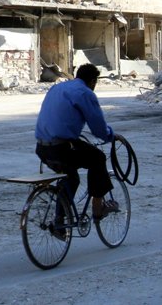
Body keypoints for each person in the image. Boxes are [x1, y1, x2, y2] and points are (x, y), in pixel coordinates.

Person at [34, 63, 119, 226]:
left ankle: (60, 219)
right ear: (93, 81)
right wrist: (110, 136)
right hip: (61, 147)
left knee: (70, 177)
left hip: (42, 148)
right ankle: (97, 208)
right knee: (98, 158)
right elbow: (98, 127)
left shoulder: (57, 88)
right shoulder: (85, 93)